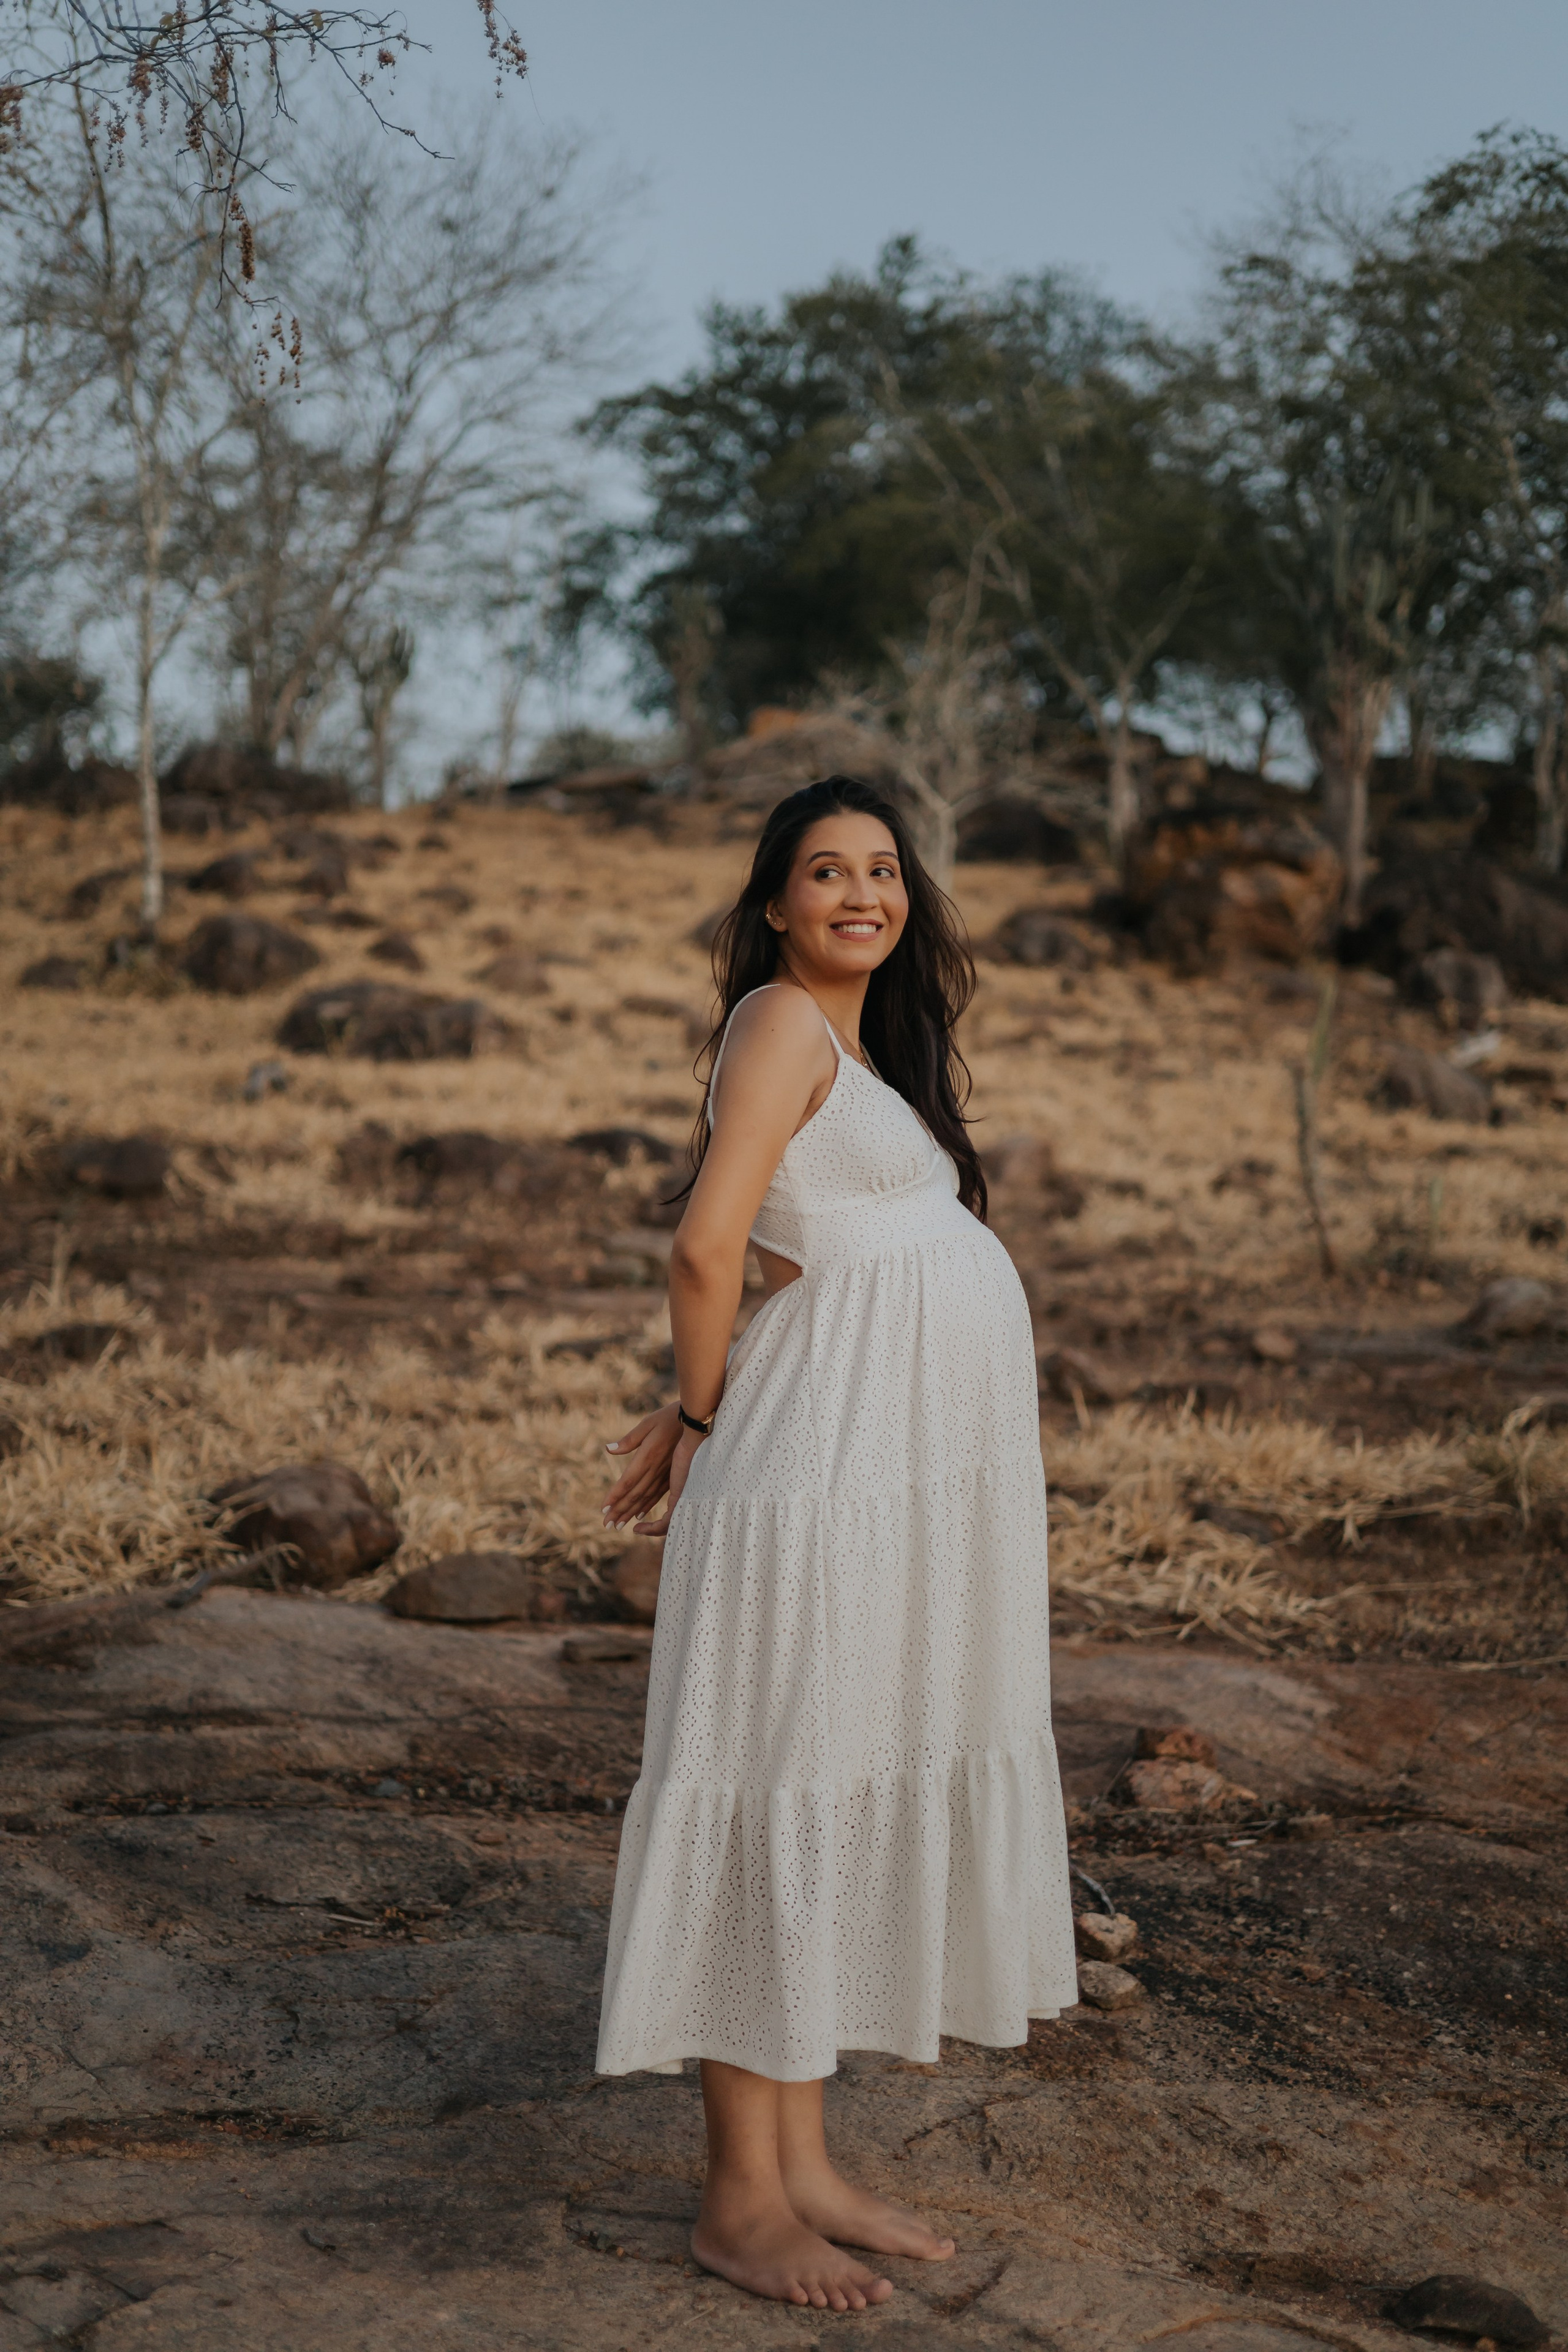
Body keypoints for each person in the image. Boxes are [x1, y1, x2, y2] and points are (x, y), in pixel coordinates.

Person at [595, 775, 1078, 2311]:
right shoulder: (778, 1025)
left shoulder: (860, 1046)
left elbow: (816, 1259)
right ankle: (740, 2200)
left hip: (881, 1479)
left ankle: (801, 2167)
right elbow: (705, 1240)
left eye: (883, 871)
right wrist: (697, 1410)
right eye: (825, 872)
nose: (860, 894)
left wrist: (701, 1406)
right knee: (780, 1786)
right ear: (774, 905)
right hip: (816, 1485)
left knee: (829, 1772)